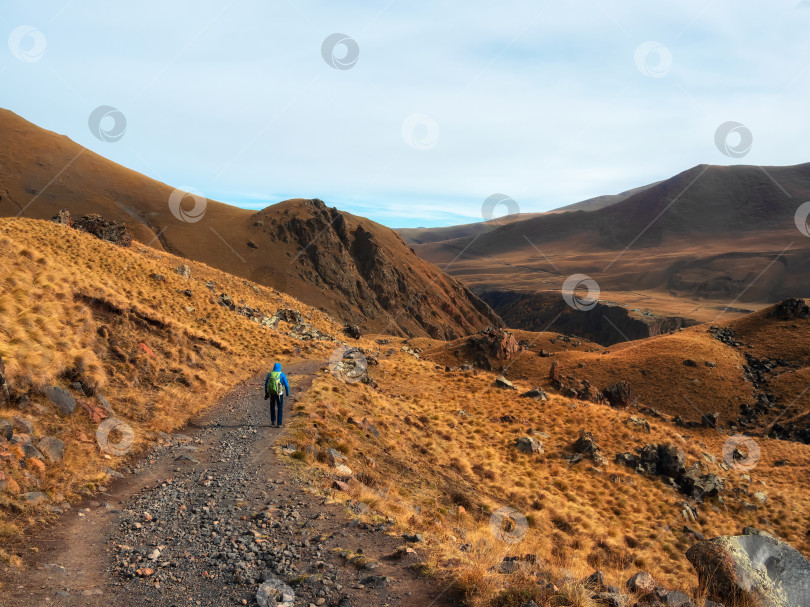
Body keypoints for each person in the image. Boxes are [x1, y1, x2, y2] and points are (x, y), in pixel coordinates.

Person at [264, 362, 290, 428]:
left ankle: (273, 420)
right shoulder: (282, 375)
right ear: (280, 368)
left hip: (272, 393)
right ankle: (279, 423)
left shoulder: (269, 374)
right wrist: (287, 393)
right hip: (279, 393)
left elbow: (266, 384)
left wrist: (266, 393)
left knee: (272, 406)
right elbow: (286, 385)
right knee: (280, 407)